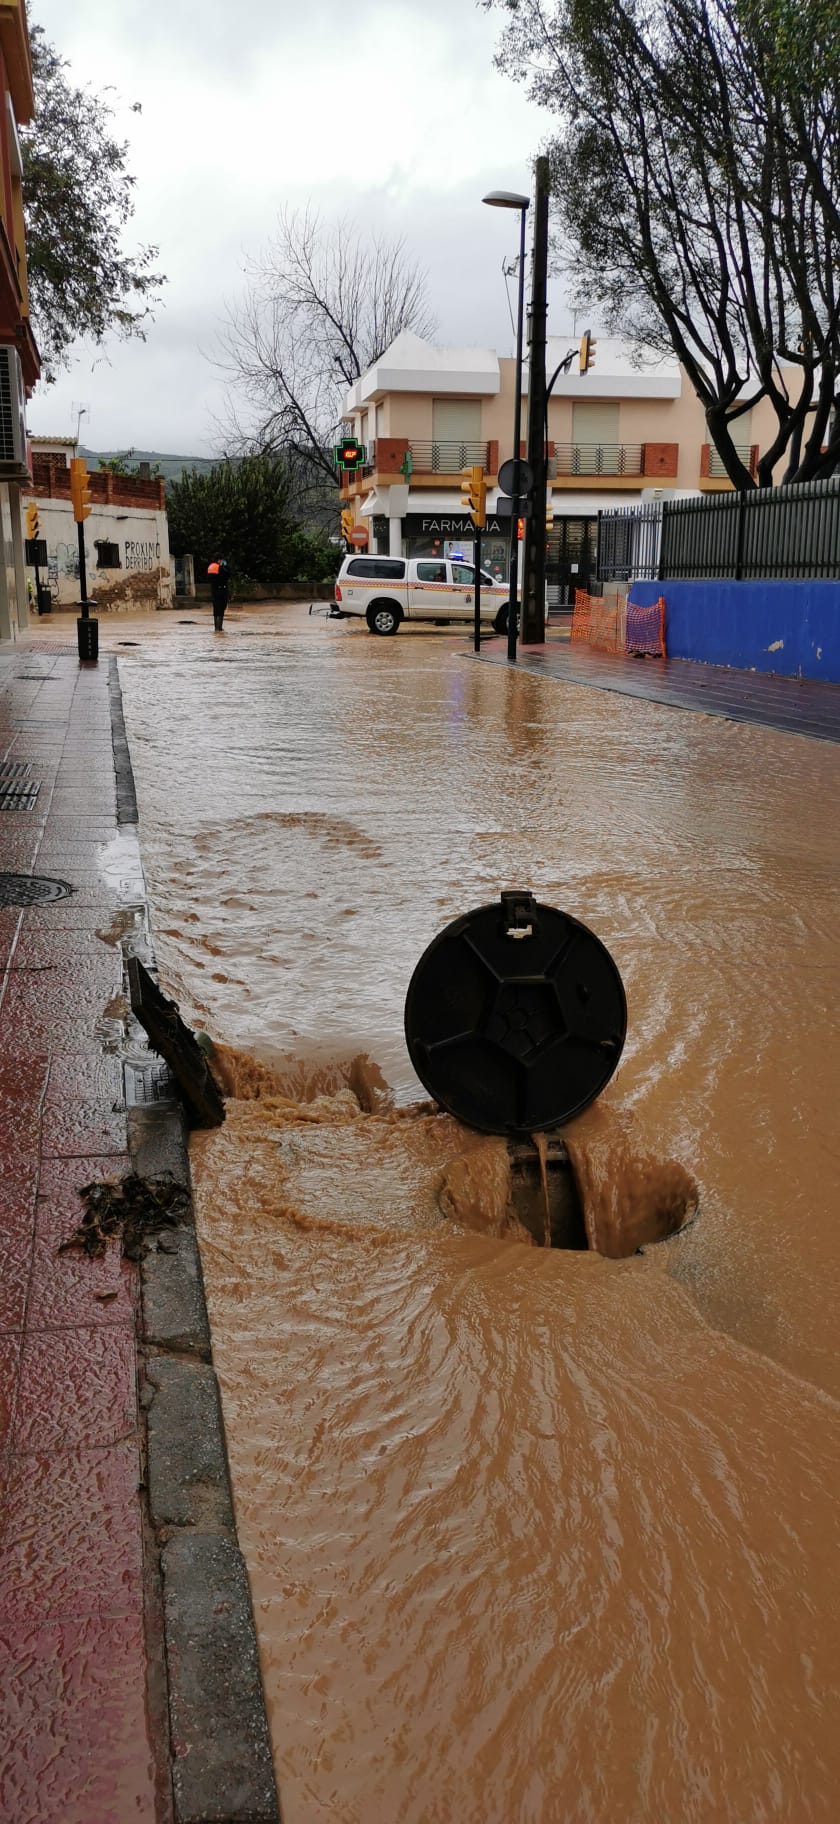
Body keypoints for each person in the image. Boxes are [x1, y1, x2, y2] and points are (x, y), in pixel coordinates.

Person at [207, 557, 230, 631]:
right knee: (221, 609)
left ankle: (216, 628)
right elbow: (227, 575)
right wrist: (224, 566)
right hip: (221, 591)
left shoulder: (211, 569)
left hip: (214, 592)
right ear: (218, 560)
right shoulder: (221, 569)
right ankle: (219, 628)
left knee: (216, 609)